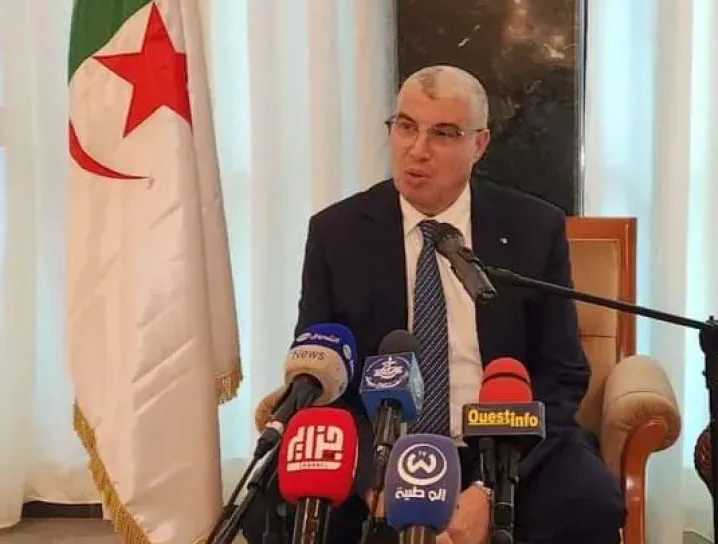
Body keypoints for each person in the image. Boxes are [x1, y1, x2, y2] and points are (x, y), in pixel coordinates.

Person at [243, 65, 624, 544]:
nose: (417, 149)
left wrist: (491, 490)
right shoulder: (336, 233)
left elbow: (562, 373)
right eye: (406, 126)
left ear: (479, 145)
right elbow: (323, 375)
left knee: (590, 502)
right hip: (380, 445)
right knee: (269, 509)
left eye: (443, 133)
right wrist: (371, 478)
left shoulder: (533, 228)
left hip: (503, 444)